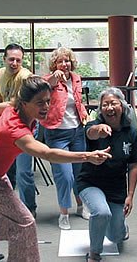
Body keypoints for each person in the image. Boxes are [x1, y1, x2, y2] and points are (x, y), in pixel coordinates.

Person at [0, 76, 112, 261]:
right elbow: (48, 154)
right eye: (39, 103)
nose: (45, 107)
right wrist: (87, 156)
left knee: (9, 210)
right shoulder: (15, 130)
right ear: (25, 103)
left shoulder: (14, 107)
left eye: (48, 101)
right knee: (25, 222)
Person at [76, 87, 137, 262]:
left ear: (122, 106)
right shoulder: (94, 126)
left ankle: (121, 228)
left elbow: (133, 166)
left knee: (115, 236)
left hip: (116, 188)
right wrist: (99, 129)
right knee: (101, 212)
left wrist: (130, 195)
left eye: (113, 103)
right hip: (90, 182)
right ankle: (94, 254)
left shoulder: (131, 132)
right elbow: (90, 133)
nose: (109, 108)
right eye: (105, 105)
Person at [42, 47, 90, 229]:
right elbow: (47, 84)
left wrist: (84, 114)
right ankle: (63, 213)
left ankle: (80, 206)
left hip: (77, 131)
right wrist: (55, 77)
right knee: (65, 176)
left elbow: (77, 101)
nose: (64, 64)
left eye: (67, 60)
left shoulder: (76, 78)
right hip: (56, 133)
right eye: (60, 61)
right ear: (54, 64)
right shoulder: (50, 80)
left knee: (79, 173)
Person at [0, 43, 38, 217]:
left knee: (23, 171)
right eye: (11, 59)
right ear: (4, 59)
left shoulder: (25, 76)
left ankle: (29, 208)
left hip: (22, 128)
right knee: (4, 170)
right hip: (5, 127)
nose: (14, 63)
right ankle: (9, 206)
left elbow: (21, 103)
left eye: (18, 60)